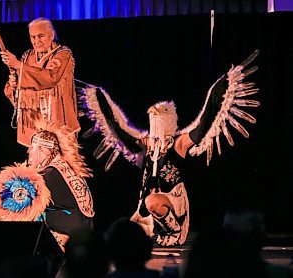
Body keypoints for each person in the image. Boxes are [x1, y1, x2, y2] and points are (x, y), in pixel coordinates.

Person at [79, 50, 260, 246]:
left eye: (159, 117)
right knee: (124, 237)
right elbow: (119, 130)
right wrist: (99, 97)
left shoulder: (179, 143)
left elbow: (204, 123)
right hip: (147, 207)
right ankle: (154, 230)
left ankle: (175, 230)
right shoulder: (147, 143)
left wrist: (222, 86)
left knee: (152, 202)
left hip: (171, 202)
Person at [0, 120, 95, 251]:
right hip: (84, 240)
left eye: (32, 147)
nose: (28, 151)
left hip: (66, 243)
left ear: (42, 150)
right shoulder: (67, 170)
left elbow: (6, 207)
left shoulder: (47, 175)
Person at [0, 17, 80, 147]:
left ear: (52, 35)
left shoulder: (63, 54)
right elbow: (18, 90)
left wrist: (18, 65)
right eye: (33, 37)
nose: (36, 41)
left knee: (62, 163)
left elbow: (50, 78)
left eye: (40, 36)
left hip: (58, 124)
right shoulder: (27, 56)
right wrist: (14, 85)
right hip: (34, 128)